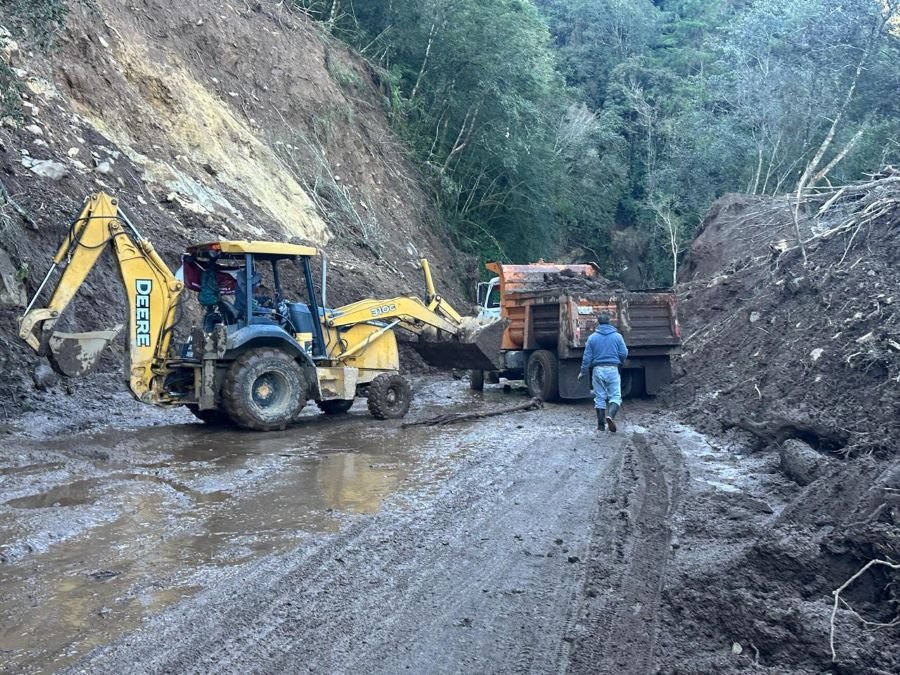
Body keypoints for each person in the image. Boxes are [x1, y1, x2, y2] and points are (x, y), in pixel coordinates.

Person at [577, 312, 628, 432]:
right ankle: (610, 416)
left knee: (599, 397)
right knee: (615, 396)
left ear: (598, 323)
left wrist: (583, 372)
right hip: (612, 369)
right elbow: (624, 353)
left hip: (597, 370)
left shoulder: (592, 338)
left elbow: (587, 357)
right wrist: (620, 361)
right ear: (609, 321)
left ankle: (600, 426)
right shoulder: (617, 337)